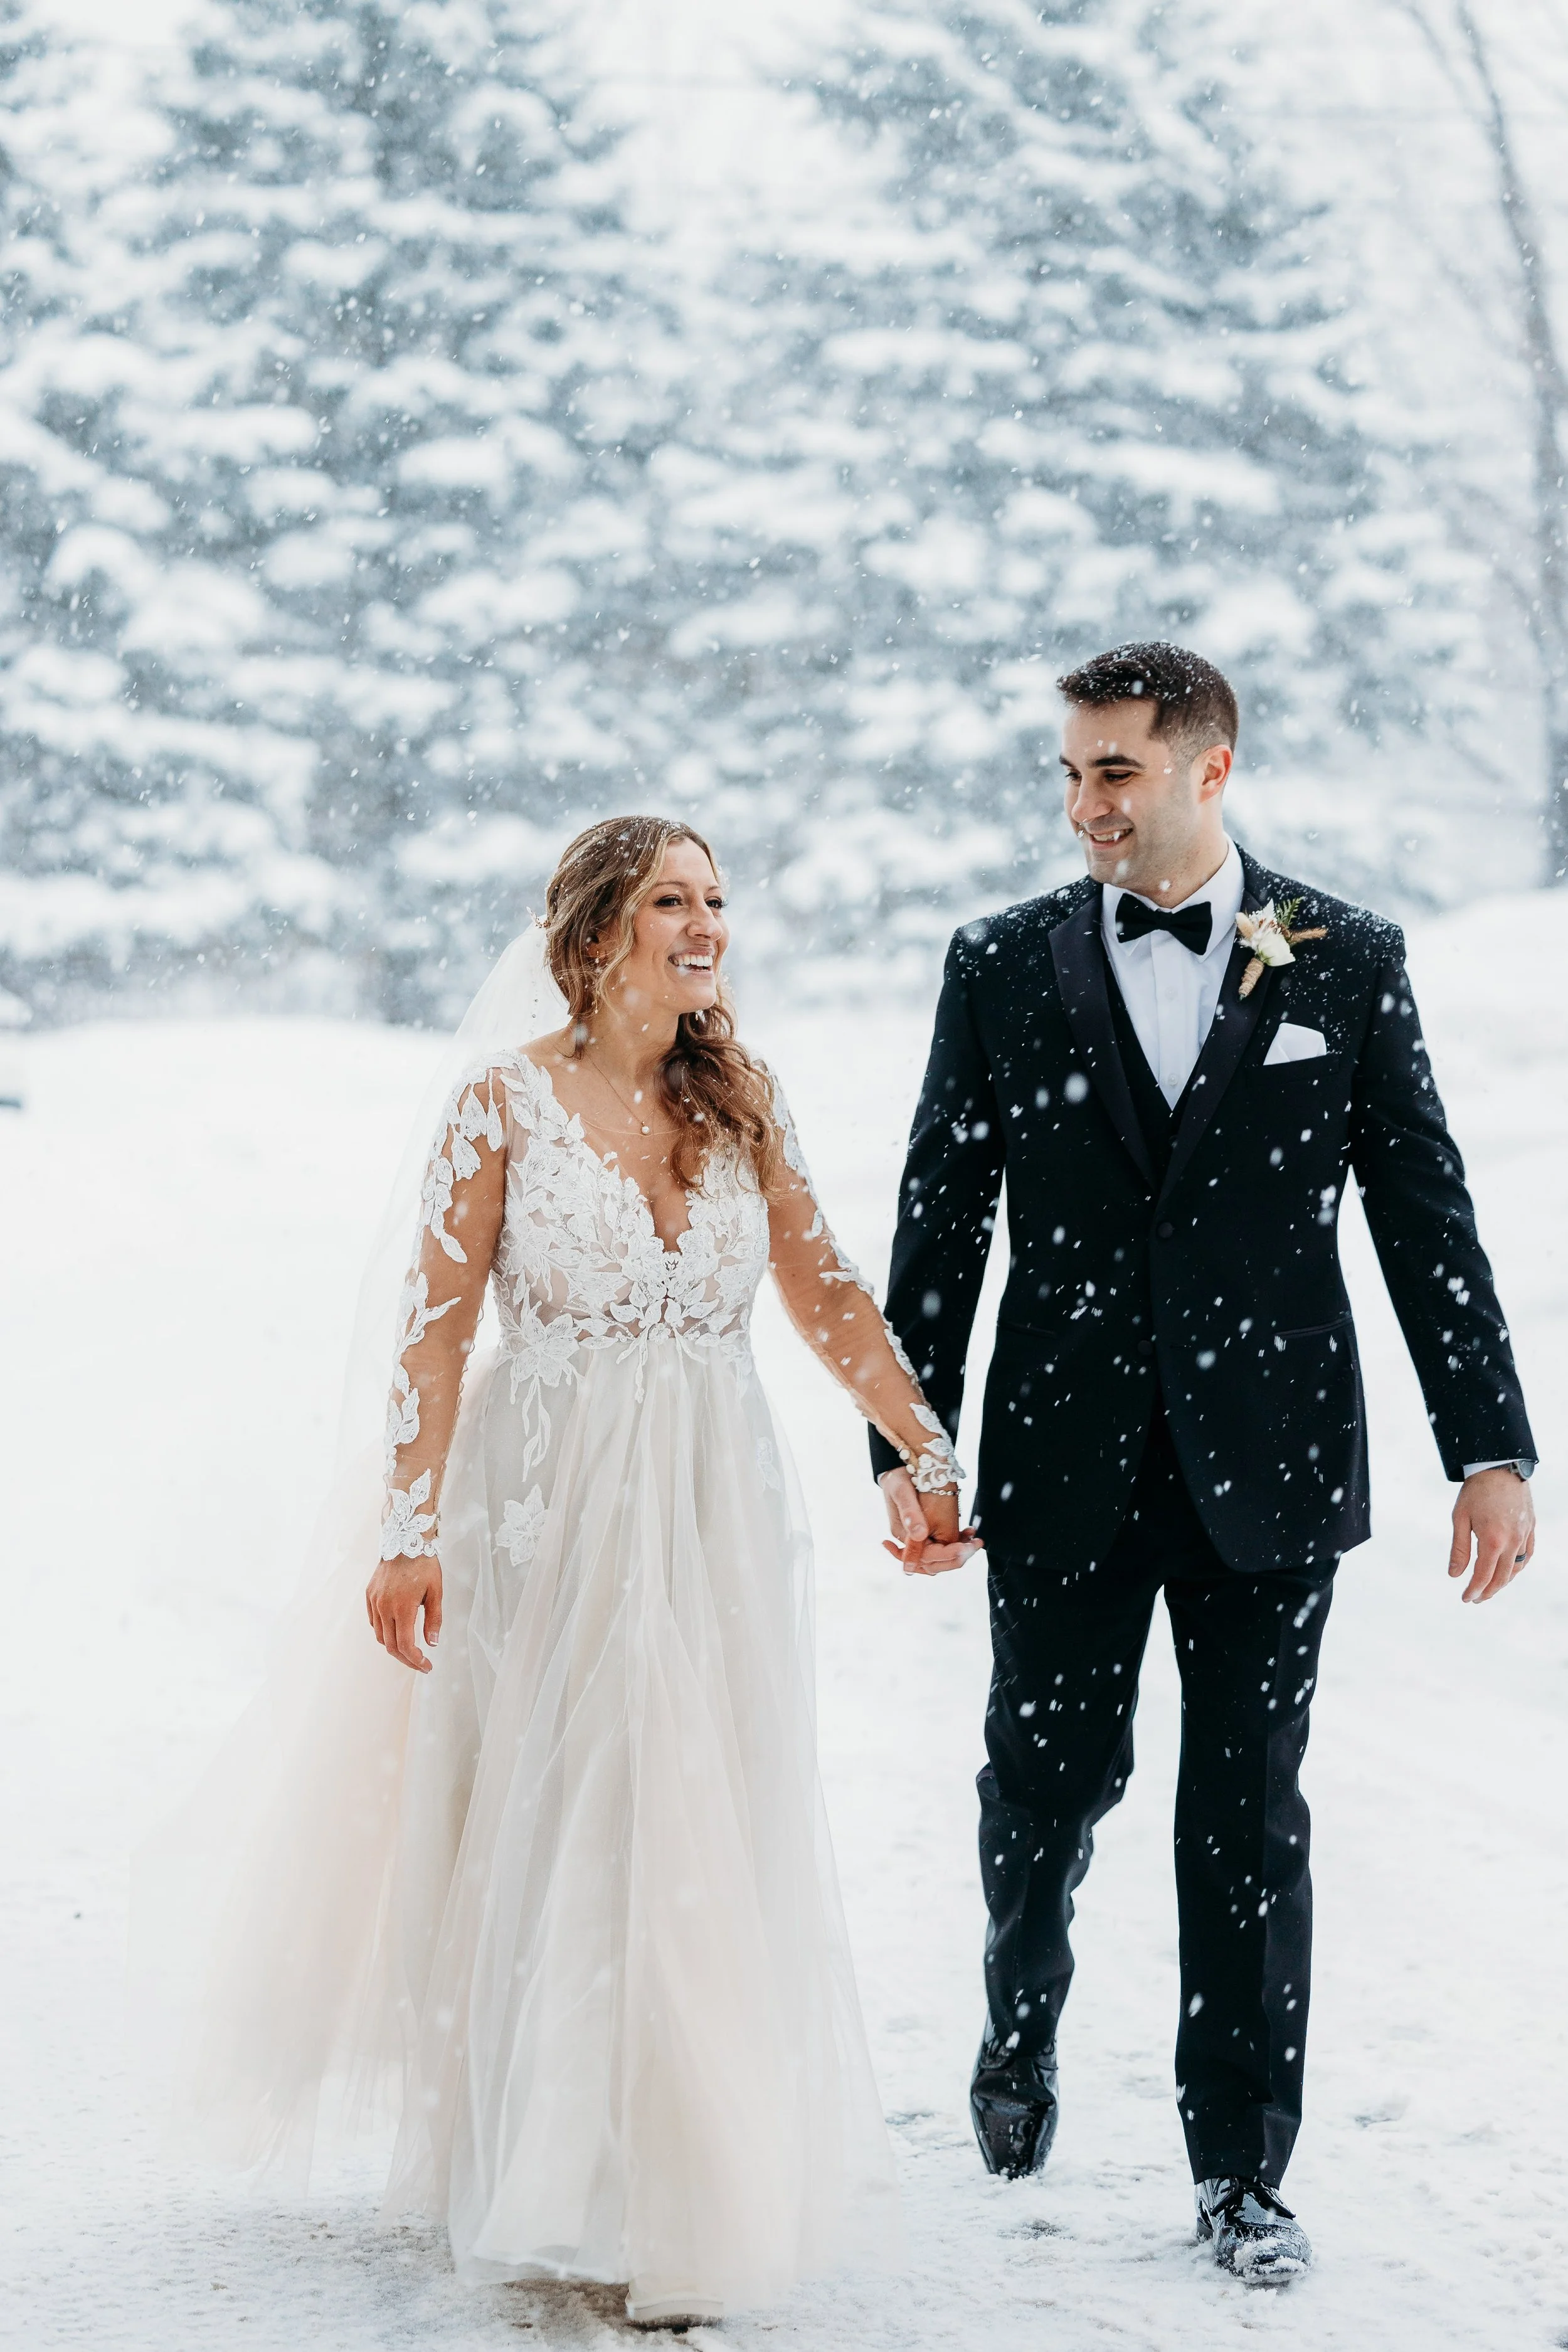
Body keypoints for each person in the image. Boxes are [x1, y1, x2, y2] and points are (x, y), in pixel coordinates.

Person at [146, 815, 974, 2329]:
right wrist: (406, 1529)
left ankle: (672, 2170)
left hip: (713, 1493)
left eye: (718, 897)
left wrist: (920, 1445)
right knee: (580, 1798)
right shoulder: (502, 1101)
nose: (707, 923)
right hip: (548, 1495)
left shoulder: (743, 1096)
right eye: (673, 899)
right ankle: (557, 2167)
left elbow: (822, 1281)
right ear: (598, 933)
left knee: (696, 1801)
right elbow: (435, 1324)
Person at [871, 641, 1538, 2284]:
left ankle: (1240, 2167)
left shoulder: (1345, 958)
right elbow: (939, 1216)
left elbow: (1423, 1211)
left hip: (1272, 1465)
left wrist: (1490, 1443)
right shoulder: (998, 961)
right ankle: (1017, 2008)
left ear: (1207, 767)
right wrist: (906, 1440)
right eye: (1072, 773)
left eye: (1115, 769)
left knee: (1242, 1817)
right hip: (1057, 1460)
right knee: (1048, 1787)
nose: (1086, 803)